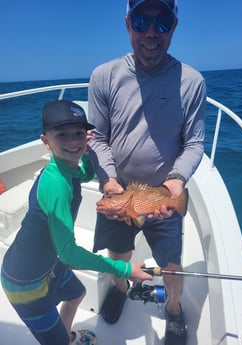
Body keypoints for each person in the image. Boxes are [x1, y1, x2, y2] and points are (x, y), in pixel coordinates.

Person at [87, 0, 206, 344]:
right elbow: (98, 136)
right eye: (141, 22)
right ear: (128, 24)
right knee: (118, 253)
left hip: (164, 196)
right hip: (118, 192)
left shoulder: (192, 81)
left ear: (174, 26)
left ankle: (172, 308)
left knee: (171, 263)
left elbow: (195, 142)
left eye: (162, 21)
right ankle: (121, 289)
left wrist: (176, 180)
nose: (151, 32)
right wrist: (108, 179)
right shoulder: (104, 76)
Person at [0, 100, 152, 345]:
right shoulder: (56, 185)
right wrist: (125, 270)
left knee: (77, 294)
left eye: (79, 134)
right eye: (62, 135)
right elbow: (68, 253)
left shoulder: (64, 167)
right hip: (26, 284)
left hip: (47, 266)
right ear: (45, 141)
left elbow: (85, 174)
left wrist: (89, 153)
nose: (73, 141)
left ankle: (67, 336)